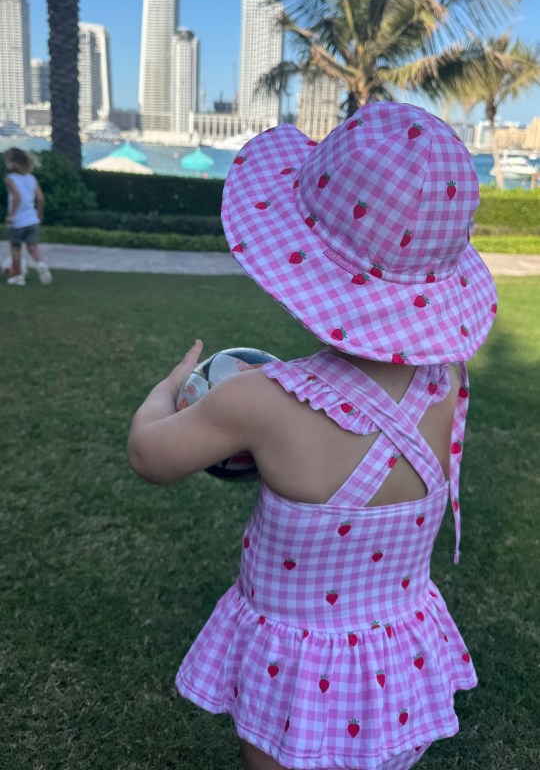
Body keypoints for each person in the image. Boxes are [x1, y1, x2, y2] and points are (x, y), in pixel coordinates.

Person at [128, 102, 497, 770]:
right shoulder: (445, 385)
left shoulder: (255, 401)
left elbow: (149, 455)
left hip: (294, 669)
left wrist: (170, 386)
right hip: (401, 654)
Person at [3, 147, 52, 286]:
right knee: (33, 247)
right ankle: (41, 264)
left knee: (15, 249)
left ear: (13, 163)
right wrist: (39, 213)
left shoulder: (10, 179)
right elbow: (40, 198)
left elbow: (17, 197)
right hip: (32, 220)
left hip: (18, 221)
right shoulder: (32, 178)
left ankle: (18, 276)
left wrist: (11, 215)